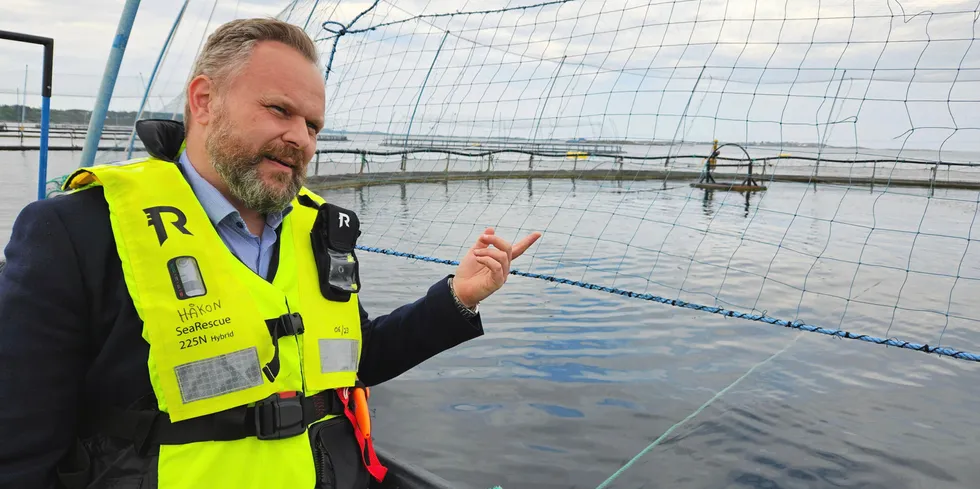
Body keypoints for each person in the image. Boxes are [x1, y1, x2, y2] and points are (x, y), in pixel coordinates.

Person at [0, 17, 540, 489]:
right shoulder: (76, 232)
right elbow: (19, 444)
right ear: (204, 101)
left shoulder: (318, 232)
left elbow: (355, 359)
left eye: (312, 126)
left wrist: (459, 297)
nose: (301, 139)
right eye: (279, 110)